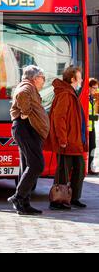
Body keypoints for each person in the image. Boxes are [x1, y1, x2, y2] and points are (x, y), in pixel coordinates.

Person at [44, 66, 88, 210]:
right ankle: (57, 200)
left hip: (75, 141)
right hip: (67, 141)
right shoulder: (65, 94)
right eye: (79, 77)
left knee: (79, 168)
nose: (81, 80)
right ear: (72, 79)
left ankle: (73, 197)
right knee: (63, 170)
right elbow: (59, 118)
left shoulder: (71, 93)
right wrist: (62, 139)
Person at [8, 65, 50, 216]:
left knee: (26, 165)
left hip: (27, 129)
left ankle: (24, 204)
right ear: (35, 78)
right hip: (25, 128)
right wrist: (25, 113)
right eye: (42, 78)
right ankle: (18, 197)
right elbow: (21, 95)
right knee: (37, 165)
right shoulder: (27, 86)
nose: (43, 81)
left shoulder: (30, 87)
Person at [88, 78, 99, 175]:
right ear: (89, 87)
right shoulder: (86, 98)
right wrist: (93, 117)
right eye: (94, 88)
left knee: (93, 146)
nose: (96, 90)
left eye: (97, 88)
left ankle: (90, 167)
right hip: (87, 127)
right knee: (88, 147)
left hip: (92, 127)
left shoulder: (93, 98)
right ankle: (87, 168)